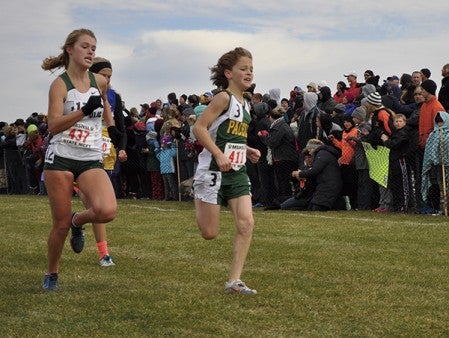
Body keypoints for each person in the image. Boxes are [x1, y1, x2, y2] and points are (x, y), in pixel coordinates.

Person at [41, 28, 118, 290]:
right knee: (59, 226)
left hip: (90, 157)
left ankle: (78, 221)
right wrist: (83, 111)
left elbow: (107, 113)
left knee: (107, 211)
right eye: (85, 47)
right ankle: (52, 272)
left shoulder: (101, 81)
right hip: (61, 156)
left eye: (93, 48)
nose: (90, 52)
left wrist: (112, 128)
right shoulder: (60, 84)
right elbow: (53, 125)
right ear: (70, 50)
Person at [192, 47, 261, 295]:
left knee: (246, 223)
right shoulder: (223, 98)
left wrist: (248, 149)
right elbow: (199, 129)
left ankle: (234, 281)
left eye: (251, 69)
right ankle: (196, 190)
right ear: (228, 73)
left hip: (237, 172)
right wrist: (219, 154)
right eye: (244, 68)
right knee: (209, 233)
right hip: (212, 170)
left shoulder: (246, 104)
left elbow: (231, 136)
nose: (249, 73)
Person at [380, 114, 411, 212]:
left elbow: (394, 144)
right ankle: (397, 205)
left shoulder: (404, 133)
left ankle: (404, 206)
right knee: (395, 183)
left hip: (401, 160)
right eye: (396, 121)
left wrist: (386, 141)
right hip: (393, 160)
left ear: (404, 122)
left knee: (403, 184)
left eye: (400, 121)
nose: (398, 123)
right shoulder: (396, 133)